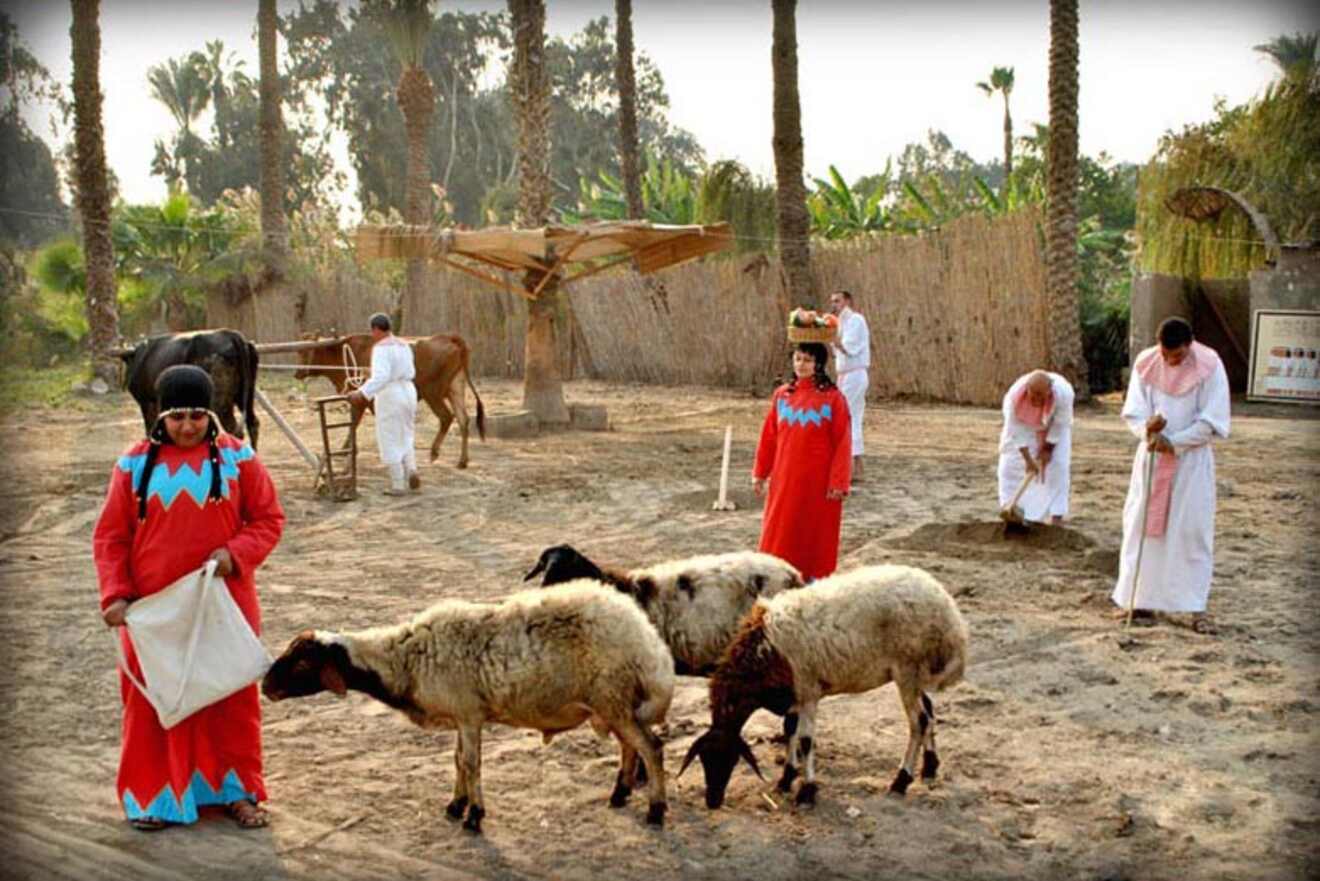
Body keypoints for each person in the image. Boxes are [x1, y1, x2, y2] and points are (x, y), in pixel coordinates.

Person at [93, 365, 285, 830]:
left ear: (211, 413)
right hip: (153, 611)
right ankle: (157, 798)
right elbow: (111, 538)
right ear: (161, 415)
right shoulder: (133, 465)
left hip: (224, 604)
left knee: (229, 696)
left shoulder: (239, 459)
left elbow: (268, 520)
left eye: (197, 415)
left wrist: (234, 553)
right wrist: (116, 595)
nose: (187, 426)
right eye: (178, 416)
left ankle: (237, 792)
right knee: (157, 699)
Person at [1111, 317, 1230, 633]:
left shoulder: (1210, 365)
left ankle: (1195, 607)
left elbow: (1211, 421)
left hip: (1190, 462)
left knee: (1190, 531)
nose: (1168, 362)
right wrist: (1146, 430)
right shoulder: (1146, 362)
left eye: (1175, 357)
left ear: (1189, 347)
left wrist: (1174, 443)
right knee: (1140, 527)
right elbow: (1134, 411)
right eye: (1165, 355)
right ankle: (1139, 601)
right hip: (1151, 459)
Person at [753, 342, 852, 580]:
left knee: (813, 534)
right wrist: (760, 473)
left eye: (807, 360)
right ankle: (775, 577)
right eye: (797, 359)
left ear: (818, 363)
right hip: (785, 479)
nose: (801, 365)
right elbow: (769, 437)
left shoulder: (833, 399)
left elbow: (843, 442)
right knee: (780, 530)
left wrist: (838, 482)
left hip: (818, 484)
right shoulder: (782, 396)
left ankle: (813, 583)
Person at [348, 313, 419, 495]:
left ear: (376, 329)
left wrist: (361, 392)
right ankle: (411, 469)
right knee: (406, 432)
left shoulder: (380, 348)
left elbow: (382, 377)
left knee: (389, 436)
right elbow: (398, 370)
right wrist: (372, 375)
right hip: (409, 390)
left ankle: (397, 484)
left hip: (391, 394)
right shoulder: (404, 345)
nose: (372, 334)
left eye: (372, 331)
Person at [997, 369, 1075, 524]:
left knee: (1058, 466)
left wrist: (1048, 448)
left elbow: (1060, 423)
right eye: (1034, 395)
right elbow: (1016, 431)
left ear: (1049, 391)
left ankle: (1056, 517)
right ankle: (1011, 508)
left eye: (1042, 395)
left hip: (1052, 424)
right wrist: (1028, 460)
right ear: (1027, 389)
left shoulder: (1064, 393)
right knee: (1009, 466)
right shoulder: (1013, 398)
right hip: (1023, 425)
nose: (1037, 399)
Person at [829, 290, 870, 480]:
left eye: (838, 301)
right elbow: (837, 353)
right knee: (850, 416)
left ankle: (852, 466)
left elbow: (848, 348)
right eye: (833, 302)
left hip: (854, 375)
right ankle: (856, 466)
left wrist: (830, 338)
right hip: (846, 375)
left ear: (847, 301)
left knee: (848, 416)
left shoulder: (856, 321)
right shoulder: (840, 323)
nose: (835, 305)